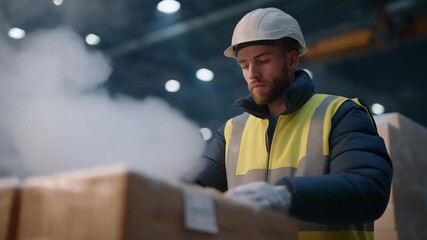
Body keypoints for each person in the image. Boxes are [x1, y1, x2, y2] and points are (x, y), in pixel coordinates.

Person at [182, 7, 392, 240]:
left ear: (292, 59)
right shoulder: (232, 132)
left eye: (262, 60)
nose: (253, 73)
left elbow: (369, 190)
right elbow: (189, 190)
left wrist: (287, 196)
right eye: (244, 65)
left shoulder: (339, 114)